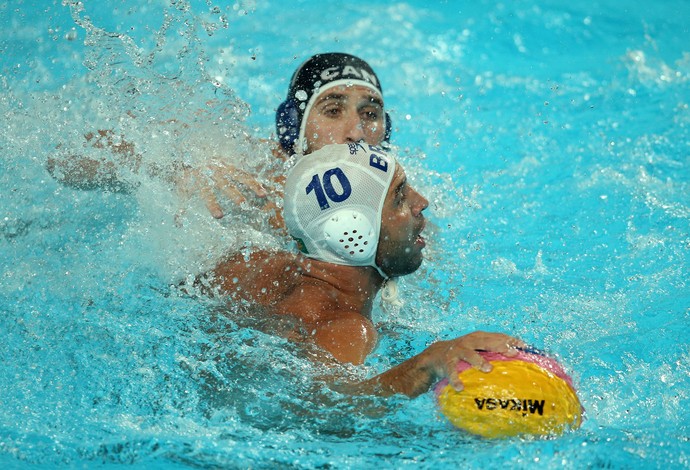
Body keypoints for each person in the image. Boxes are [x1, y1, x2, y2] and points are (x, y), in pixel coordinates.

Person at [203, 143, 527, 398]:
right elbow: (334, 404)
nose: (422, 201)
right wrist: (426, 363)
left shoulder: (254, 263)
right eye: (400, 196)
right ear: (353, 232)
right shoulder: (348, 328)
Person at [46, 53, 392, 225]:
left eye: (370, 114)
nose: (356, 133)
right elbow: (65, 160)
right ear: (293, 126)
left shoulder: (400, 202)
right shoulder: (252, 170)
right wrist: (169, 169)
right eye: (333, 111)